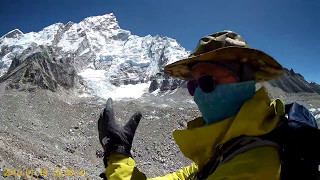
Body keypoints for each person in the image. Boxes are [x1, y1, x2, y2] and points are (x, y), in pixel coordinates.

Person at [98, 31, 286, 179]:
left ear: (245, 79)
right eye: (192, 85)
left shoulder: (252, 168)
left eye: (206, 82)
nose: (197, 95)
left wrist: (117, 156)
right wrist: (122, 160)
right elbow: (188, 176)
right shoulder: (227, 147)